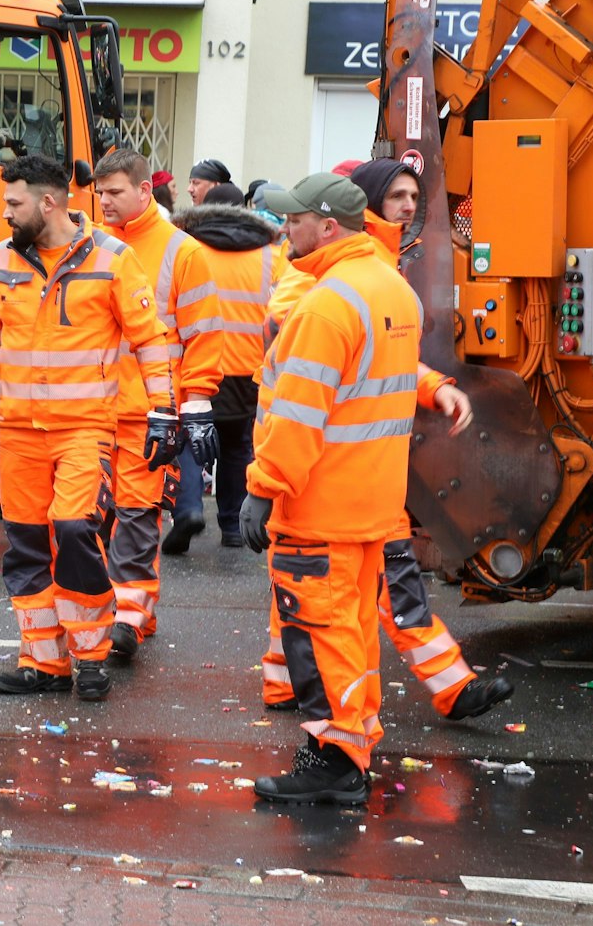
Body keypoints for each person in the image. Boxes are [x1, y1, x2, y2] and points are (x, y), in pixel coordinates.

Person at [256, 158, 512, 723]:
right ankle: (411, 695)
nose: (408, 205)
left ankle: (302, 693)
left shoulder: (367, 273)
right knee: (332, 592)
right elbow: (324, 364)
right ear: (365, 207)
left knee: (319, 591)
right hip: (327, 471)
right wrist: (267, 480)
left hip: (345, 473)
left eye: (413, 195)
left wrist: (432, 386)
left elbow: (369, 357)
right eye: (396, 195)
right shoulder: (331, 275)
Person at [0, 153, 178, 702]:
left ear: (47, 203)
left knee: (73, 530)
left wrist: (164, 411)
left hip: (84, 430)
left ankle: (89, 656)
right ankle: (43, 662)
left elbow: (148, 338)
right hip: (19, 431)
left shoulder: (113, 259)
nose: (4, 213)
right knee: (26, 545)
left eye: (13, 203)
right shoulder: (3, 258)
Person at [242, 172, 421, 804]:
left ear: (326, 227)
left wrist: (263, 487)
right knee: (353, 631)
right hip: (371, 502)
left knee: (319, 630)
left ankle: (335, 759)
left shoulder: (326, 304)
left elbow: (298, 415)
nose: (284, 229)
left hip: (320, 503)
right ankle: (353, 742)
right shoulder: (393, 289)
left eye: (294, 220)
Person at [92, 148, 224, 653]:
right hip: (94, 409)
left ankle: (128, 619)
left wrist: (196, 406)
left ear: (144, 190)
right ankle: (112, 613)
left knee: (136, 515)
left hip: (151, 412)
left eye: (115, 192)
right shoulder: (93, 245)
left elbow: (203, 336)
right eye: (100, 193)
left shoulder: (181, 252)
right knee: (90, 519)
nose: (105, 201)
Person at [174, 183, 284, 549]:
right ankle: (234, 526)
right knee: (238, 447)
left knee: (190, 439)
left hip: (199, 362)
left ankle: (188, 509)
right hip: (250, 370)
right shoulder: (272, 255)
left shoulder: (186, 249)